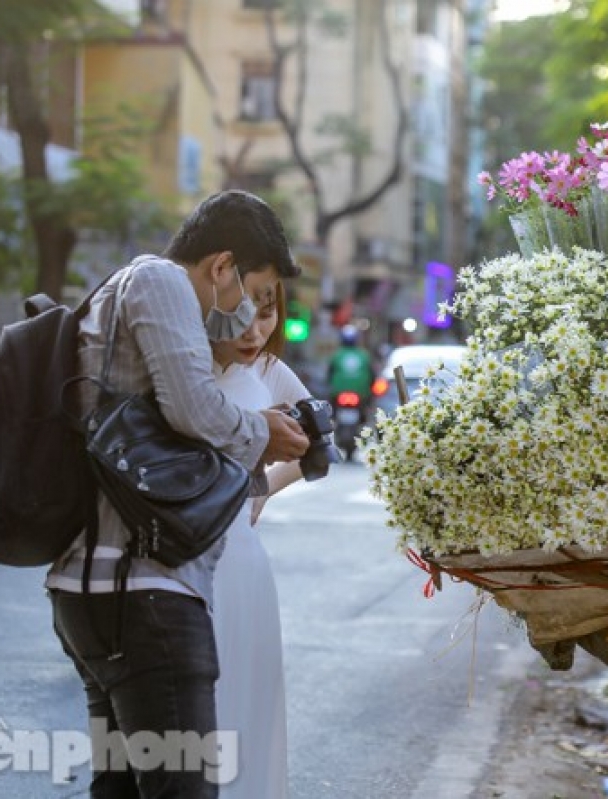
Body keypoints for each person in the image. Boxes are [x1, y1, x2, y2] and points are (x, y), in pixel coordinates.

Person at [47, 190, 311, 799]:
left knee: (121, 790)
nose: (247, 319)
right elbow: (195, 409)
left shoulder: (122, 297)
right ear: (221, 268)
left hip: (95, 590)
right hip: (148, 596)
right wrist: (262, 433)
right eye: (249, 295)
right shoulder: (161, 281)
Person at [209, 281, 309, 799]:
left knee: (246, 701)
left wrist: (263, 488)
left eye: (268, 315)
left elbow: (316, 445)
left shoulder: (269, 372)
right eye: (247, 314)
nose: (257, 330)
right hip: (185, 557)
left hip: (242, 561)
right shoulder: (183, 362)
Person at [326, 324, 374, 408]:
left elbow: (329, 374)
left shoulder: (337, 354)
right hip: (361, 393)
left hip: (339, 393)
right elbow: (372, 375)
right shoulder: (364, 354)